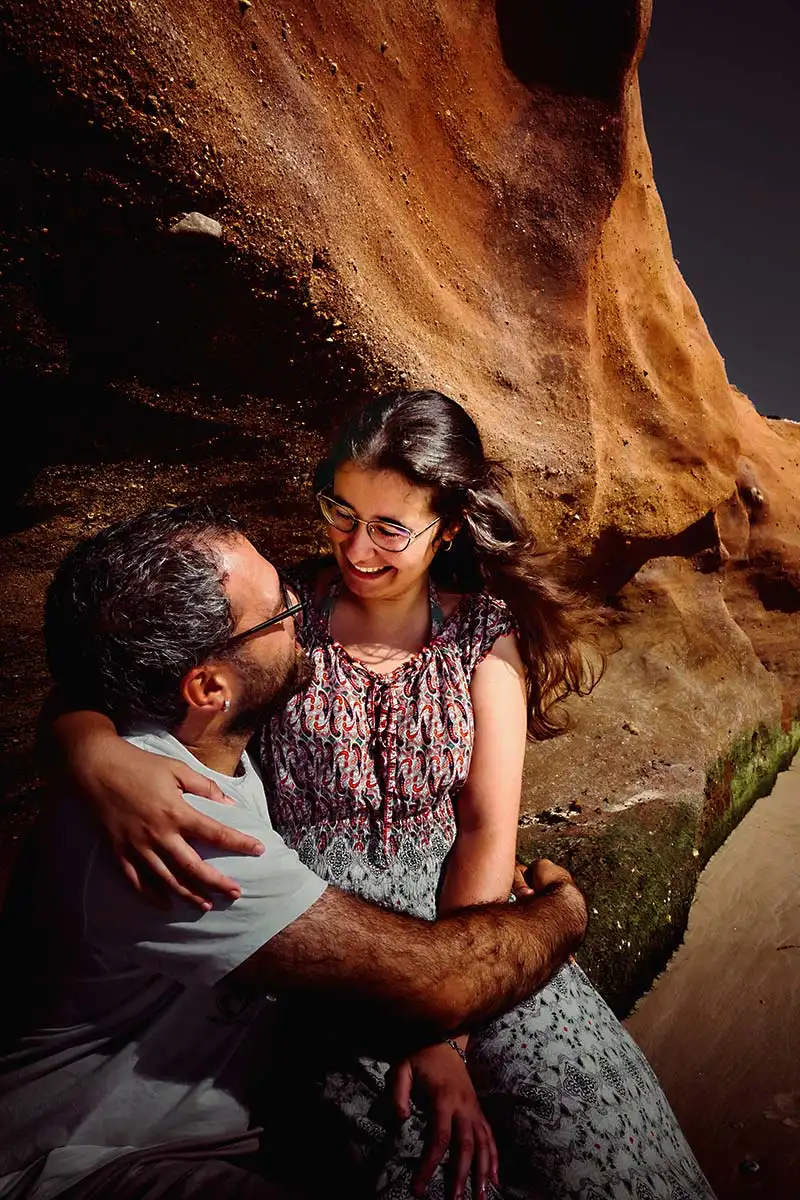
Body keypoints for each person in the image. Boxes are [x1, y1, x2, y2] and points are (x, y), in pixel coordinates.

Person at [50, 393, 716, 1200]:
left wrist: (451, 1033)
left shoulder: (482, 634)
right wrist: (91, 750)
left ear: (450, 528)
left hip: (476, 931)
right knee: (427, 1165)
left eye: (391, 527)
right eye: (342, 510)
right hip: (329, 950)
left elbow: (482, 827)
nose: (356, 547)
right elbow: (123, 672)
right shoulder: (278, 621)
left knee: (612, 1146)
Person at [0, 503, 589, 1200]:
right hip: (82, 1163)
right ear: (209, 687)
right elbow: (443, 981)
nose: (303, 611)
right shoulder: (182, 833)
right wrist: (566, 908)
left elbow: (78, 683)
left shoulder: (162, 744)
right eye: (280, 610)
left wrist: (83, 742)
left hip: (198, 1133)